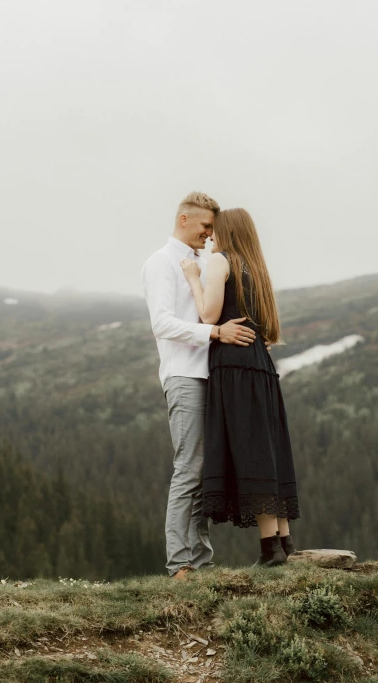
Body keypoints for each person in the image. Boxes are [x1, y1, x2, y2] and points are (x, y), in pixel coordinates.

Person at [141, 192, 257, 579]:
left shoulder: (205, 263)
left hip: (214, 377)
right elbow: (162, 324)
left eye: (214, 229)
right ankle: (179, 565)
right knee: (188, 468)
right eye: (206, 226)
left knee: (205, 471)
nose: (210, 235)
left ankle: (201, 560)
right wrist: (215, 332)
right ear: (184, 219)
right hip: (184, 376)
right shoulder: (161, 263)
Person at [180, 207, 299, 566]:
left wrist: (192, 278)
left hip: (234, 364)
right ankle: (283, 541)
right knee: (269, 445)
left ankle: (269, 551)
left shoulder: (221, 261)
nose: (211, 238)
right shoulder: (256, 268)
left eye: (215, 231)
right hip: (262, 364)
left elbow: (209, 315)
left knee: (251, 448)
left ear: (227, 232)